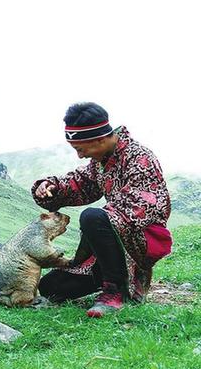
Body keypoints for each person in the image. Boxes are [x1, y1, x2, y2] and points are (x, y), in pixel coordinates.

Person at [32, 102, 172, 317]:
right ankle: (107, 277)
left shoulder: (141, 159)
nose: (80, 156)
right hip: (107, 245)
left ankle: (115, 290)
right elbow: (81, 183)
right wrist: (52, 187)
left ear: (100, 139)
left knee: (92, 217)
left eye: (81, 149)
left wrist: (103, 220)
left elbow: (147, 209)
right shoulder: (101, 161)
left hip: (138, 242)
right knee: (50, 287)